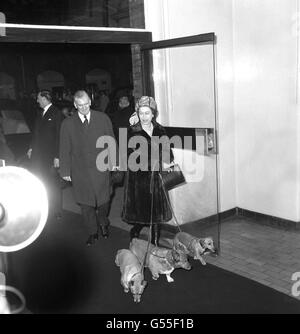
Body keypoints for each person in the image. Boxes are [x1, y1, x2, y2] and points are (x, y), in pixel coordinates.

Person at [59, 90, 116, 246]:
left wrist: (114, 162)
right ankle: (92, 232)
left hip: (101, 167)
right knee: (86, 205)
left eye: (85, 104)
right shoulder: (67, 124)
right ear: (75, 105)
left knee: (104, 201)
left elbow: (111, 141)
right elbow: (64, 148)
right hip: (80, 171)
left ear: (90, 102)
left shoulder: (103, 118)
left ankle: (103, 223)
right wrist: (65, 170)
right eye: (79, 105)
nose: (83, 108)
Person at [121, 96, 174, 246]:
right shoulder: (132, 131)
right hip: (139, 179)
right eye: (141, 113)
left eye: (147, 113)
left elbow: (167, 151)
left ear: (153, 114)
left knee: (156, 213)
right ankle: (136, 230)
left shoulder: (160, 129)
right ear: (137, 114)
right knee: (142, 211)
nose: (144, 117)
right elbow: (127, 155)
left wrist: (168, 161)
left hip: (156, 178)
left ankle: (155, 244)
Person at [27, 90, 63, 219]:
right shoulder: (40, 113)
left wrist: (57, 156)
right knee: (41, 182)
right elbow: (35, 133)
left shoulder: (56, 113)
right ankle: (45, 208)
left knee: (53, 183)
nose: (37, 100)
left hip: (50, 156)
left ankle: (57, 210)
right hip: (39, 155)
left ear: (45, 99)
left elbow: (59, 136)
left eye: (38, 98)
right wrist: (31, 148)